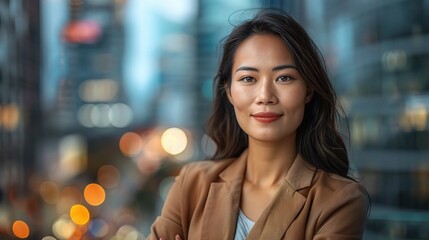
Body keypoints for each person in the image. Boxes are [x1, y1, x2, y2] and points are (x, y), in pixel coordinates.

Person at [148, 9, 369, 240]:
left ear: (308, 90)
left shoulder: (341, 199)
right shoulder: (192, 183)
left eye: (284, 78)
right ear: (229, 92)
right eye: (248, 79)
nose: (265, 95)